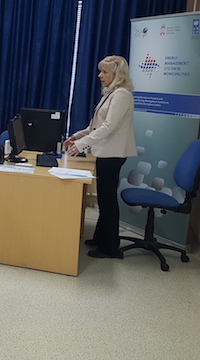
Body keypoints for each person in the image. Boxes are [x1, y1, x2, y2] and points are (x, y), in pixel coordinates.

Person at [64, 55, 137, 259]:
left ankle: (110, 247)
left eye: (104, 72)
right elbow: (95, 125)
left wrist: (81, 145)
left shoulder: (121, 95)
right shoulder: (111, 93)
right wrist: (77, 136)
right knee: (104, 199)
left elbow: (108, 127)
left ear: (117, 74)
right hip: (107, 152)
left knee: (107, 200)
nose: (100, 75)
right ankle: (100, 237)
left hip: (113, 154)